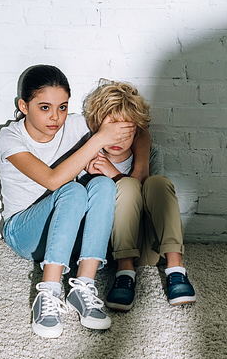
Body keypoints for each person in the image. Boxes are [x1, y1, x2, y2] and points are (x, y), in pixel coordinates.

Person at [0, 65, 149, 338]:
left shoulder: (75, 125)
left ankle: (83, 287)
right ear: (24, 105)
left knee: (101, 183)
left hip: (68, 234)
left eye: (63, 107)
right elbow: (54, 181)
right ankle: (49, 292)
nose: (55, 117)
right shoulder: (9, 137)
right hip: (25, 232)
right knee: (73, 190)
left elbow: (137, 129)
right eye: (44, 107)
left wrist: (139, 171)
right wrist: (99, 138)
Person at [81, 79, 196, 311]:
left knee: (157, 183)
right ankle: (125, 273)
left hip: (153, 246)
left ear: (138, 130)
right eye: (111, 131)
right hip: (113, 250)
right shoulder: (89, 156)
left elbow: (152, 200)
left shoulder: (150, 153)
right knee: (126, 187)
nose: (117, 140)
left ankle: (176, 269)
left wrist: (114, 173)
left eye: (126, 132)